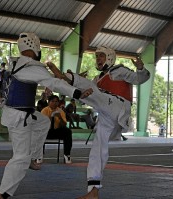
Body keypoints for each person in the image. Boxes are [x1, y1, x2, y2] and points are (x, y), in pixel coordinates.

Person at [0, 32, 91, 199]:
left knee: (43, 122)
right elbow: (54, 83)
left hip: (16, 113)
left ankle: (34, 157)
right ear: (34, 47)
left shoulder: (15, 63)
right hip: (20, 117)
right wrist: (77, 93)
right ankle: (2, 195)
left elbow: (50, 79)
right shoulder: (32, 67)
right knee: (20, 158)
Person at [46, 45, 150, 199]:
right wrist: (79, 92)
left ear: (109, 57)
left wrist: (141, 68)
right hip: (107, 116)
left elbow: (139, 78)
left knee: (90, 88)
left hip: (118, 106)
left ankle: (65, 77)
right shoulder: (98, 80)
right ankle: (93, 191)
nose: (98, 59)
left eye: (101, 56)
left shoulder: (118, 71)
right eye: (96, 56)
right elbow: (86, 97)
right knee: (97, 151)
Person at [41, 95, 73, 164]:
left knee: (67, 131)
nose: (55, 103)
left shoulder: (60, 111)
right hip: (46, 131)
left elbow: (64, 125)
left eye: (56, 101)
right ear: (49, 102)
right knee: (38, 133)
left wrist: (60, 118)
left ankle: (67, 154)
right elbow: (42, 125)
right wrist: (50, 117)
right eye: (52, 101)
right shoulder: (44, 110)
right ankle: (39, 155)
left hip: (57, 131)